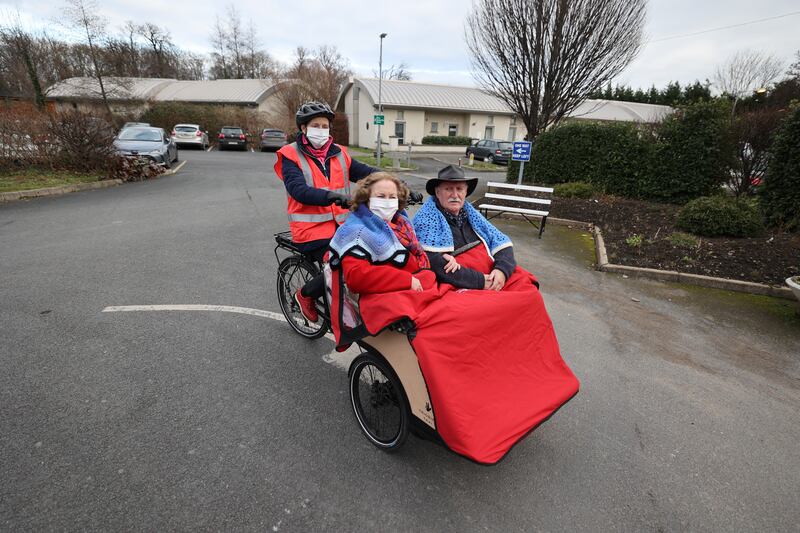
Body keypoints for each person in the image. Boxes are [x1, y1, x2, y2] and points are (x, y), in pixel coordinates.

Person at [327, 171, 579, 465]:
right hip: (388, 293)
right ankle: (452, 404)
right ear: (366, 198)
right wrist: (413, 279)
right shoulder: (362, 229)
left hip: (416, 284)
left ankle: (505, 380)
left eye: (392, 197)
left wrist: (490, 270)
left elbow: (432, 256)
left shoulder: (402, 223)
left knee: (526, 298)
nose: (456, 194)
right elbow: (362, 277)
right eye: (380, 197)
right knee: (443, 330)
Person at [274, 101, 376, 323]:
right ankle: (304, 295)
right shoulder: (290, 155)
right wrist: (331, 196)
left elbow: (365, 172)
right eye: (315, 125)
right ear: (303, 128)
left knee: (375, 250)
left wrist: (393, 181)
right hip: (311, 230)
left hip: (343, 226)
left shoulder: (338, 153)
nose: (321, 130)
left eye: (325, 126)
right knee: (345, 262)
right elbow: (298, 190)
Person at [412, 164, 523, 291]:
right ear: (438, 192)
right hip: (459, 282)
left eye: (459, 189)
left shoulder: (472, 214)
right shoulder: (425, 218)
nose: (455, 195)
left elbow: (500, 241)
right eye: (448, 189)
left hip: (491, 274)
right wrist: (479, 281)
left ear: (465, 192)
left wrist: (502, 270)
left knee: (527, 287)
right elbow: (433, 263)